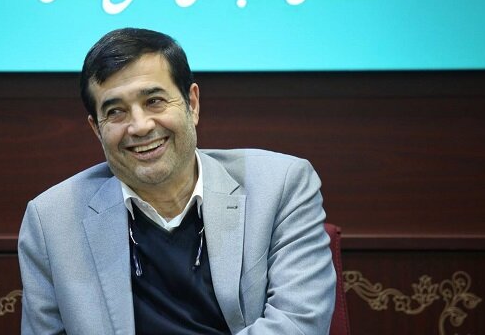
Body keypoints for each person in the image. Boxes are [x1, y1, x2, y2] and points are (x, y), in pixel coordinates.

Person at [18, 28, 336, 335]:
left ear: (192, 104)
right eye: (115, 112)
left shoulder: (281, 186)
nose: (140, 126)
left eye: (154, 101)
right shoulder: (52, 221)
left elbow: (299, 324)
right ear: (97, 130)